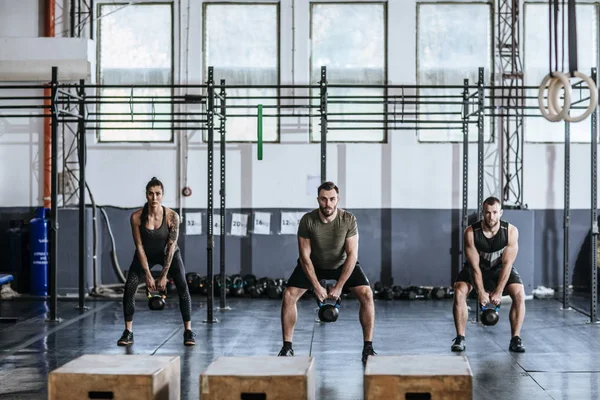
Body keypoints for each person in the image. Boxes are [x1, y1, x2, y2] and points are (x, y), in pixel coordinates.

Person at [277, 181, 377, 363]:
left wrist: (339, 287)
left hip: (342, 264)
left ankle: (368, 347)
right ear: (318, 200)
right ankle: (287, 347)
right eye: (323, 199)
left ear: (337, 199)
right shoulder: (308, 220)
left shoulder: (348, 219)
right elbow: (304, 256)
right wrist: (316, 286)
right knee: (289, 295)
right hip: (313, 265)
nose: (328, 204)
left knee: (367, 294)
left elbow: (352, 255)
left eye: (332, 199)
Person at [117, 177, 196, 346]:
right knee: (130, 286)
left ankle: (188, 331)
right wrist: (147, 274)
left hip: (170, 254)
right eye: (151, 194)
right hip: (146, 254)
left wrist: (164, 275)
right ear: (146, 195)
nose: (154, 198)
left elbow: (171, 245)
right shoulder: (136, 217)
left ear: (162, 195)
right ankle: (128, 332)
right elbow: (139, 246)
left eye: (158, 194)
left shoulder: (172, 216)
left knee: (182, 285)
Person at [451, 196, 526, 353]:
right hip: (478, 269)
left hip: (500, 269)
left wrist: (498, 292)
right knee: (459, 290)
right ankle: (460, 338)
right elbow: (475, 266)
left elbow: (507, 265)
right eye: (487, 213)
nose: (491, 217)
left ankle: (516, 339)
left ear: (501, 213)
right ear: (482, 213)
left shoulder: (510, 232)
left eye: (494, 212)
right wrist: (480, 292)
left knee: (519, 293)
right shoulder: (471, 232)